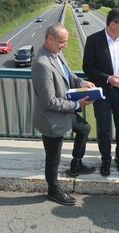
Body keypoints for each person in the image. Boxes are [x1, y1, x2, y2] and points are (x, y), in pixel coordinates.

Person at [32, 22, 97, 206]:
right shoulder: (42, 64)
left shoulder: (56, 54)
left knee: (84, 128)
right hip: (52, 118)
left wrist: (82, 82)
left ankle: (76, 164)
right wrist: (77, 103)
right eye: (62, 42)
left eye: (66, 42)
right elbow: (49, 102)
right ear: (50, 39)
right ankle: (53, 191)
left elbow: (69, 76)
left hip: (65, 110)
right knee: (53, 158)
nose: (65, 46)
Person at [83, 7, 119, 176]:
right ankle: (105, 159)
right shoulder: (93, 40)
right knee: (104, 128)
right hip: (103, 92)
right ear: (113, 24)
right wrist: (108, 78)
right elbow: (87, 67)